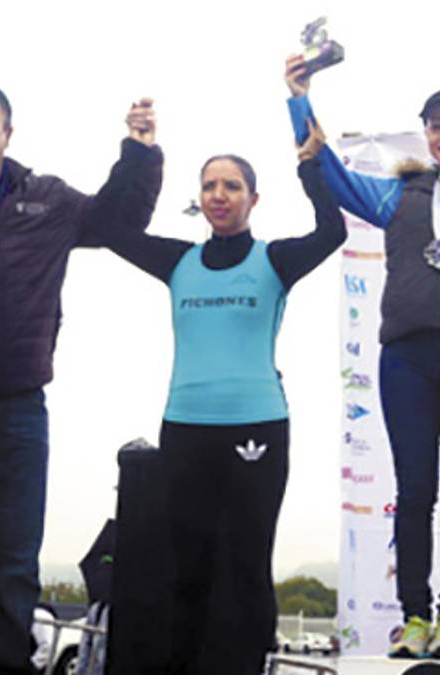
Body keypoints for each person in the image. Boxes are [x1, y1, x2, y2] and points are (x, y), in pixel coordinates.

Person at [284, 0, 440, 660]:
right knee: (413, 491)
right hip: (407, 357)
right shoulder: (399, 194)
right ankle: (414, 617)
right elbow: (328, 169)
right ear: (425, 134)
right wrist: (298, 99)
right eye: (437, 126)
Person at [95, 107, 347, 675]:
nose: (219, 195)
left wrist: (310, 166)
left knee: (246, 561)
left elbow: (332, 232)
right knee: (188, 564)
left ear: (253, 198)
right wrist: (138, 150)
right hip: (185, 427)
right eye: (209, 185)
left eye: (232, 186)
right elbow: (110, 230)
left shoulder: (274, 260)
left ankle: (246, 665)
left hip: (256, 427)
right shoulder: (178, 261)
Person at [0, 82, 162, 675]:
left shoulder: (48, 200)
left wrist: (139, 154)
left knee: (12, 567)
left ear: (7, 133)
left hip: (19, 411)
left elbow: (117, 223)